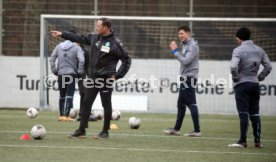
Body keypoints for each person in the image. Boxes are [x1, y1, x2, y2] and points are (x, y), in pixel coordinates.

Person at [51, 17, 131, 139]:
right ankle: (81, 130)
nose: (96, 27)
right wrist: (63, 34)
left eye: (98, 26)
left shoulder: (115, 43)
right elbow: (79, 38)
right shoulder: (94, 37)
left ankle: (105, 131)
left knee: (106, 104)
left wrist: (117, 75)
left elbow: (126, 60)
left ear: (106, 28)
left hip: (106, 79)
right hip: (93, 78)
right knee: (86, 102)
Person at [228, 27, 272, 148]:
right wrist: (260, 78)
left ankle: (242, 141)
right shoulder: (259, 50)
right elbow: (268, 66)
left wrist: (236, 78)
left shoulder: (238, 50)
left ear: (239, 38)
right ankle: (257, 141)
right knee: (255, 113)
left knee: (243, 113)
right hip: (254, 84)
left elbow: (233, 67)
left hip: (242, 84)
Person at [163, 26, 201, 137]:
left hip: (189, 77)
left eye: (182, 33)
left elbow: (186, 61)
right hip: (185, 77)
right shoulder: (186, 45)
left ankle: (197, 130)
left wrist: (175, 51)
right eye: (179, 34)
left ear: (188, 33)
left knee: (191, 103)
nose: (180, 36)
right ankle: (176, 129)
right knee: (181, 104)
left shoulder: (192, 46)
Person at [49, 37, 85, 122]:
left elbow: (52, 59)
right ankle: (66, 115)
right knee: (69, 95)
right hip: (71, 74)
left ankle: (61, 115)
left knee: (62, 96)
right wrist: (79, 71)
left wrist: (54, 71)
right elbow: (82, 60)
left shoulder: (58, 46)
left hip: (61, 74)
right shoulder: (76, 47)